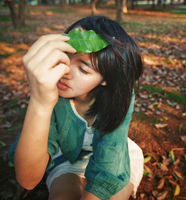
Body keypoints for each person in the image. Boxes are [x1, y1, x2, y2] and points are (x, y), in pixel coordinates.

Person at [9, 16, 144, 200]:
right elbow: (27, 180)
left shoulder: (120, 97)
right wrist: (40, 102)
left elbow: (110, 160)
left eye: (83, 69)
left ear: (106, 79)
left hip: (115, 156)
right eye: (64, 57)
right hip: (66, 157)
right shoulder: (51, 92)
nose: (64, 71)